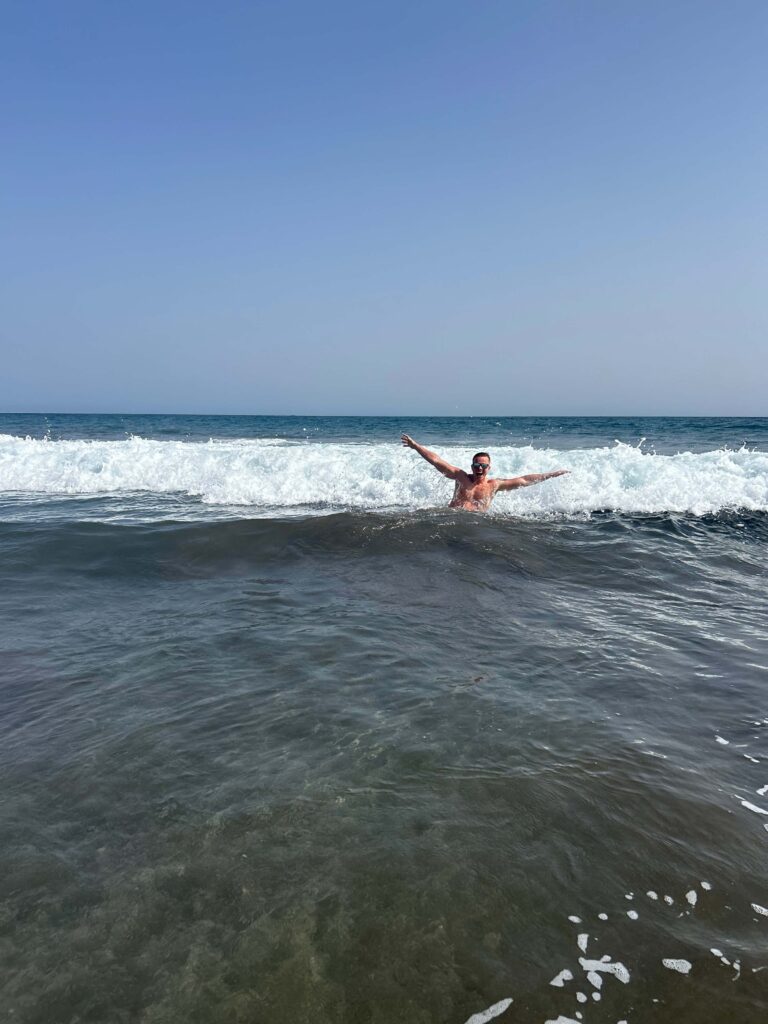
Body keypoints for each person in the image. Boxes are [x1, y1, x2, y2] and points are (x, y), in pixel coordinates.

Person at [401, 434, 569, 512]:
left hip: (476, 525)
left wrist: (551, 474)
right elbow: (437, 461)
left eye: (483, 465)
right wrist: (416, 447)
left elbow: (524, 480)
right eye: (476, 465)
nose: (479, 468)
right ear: (472, 466)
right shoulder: (461, 477)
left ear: (489, 468)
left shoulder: (494, 485)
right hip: (451, 519)